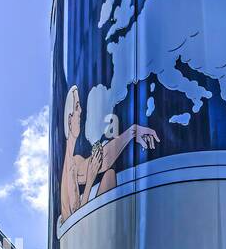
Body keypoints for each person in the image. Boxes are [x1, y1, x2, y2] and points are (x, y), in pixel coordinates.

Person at [59, 85, 159, 222]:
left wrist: (132, 132)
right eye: (77, 107)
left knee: (110, 175)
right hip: (82, 235)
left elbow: (102, 159)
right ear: (70, 120)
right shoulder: (67, 177)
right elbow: (77, 222)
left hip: (91, 224)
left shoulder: (75, 161)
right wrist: (90, 181)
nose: (81, 111)